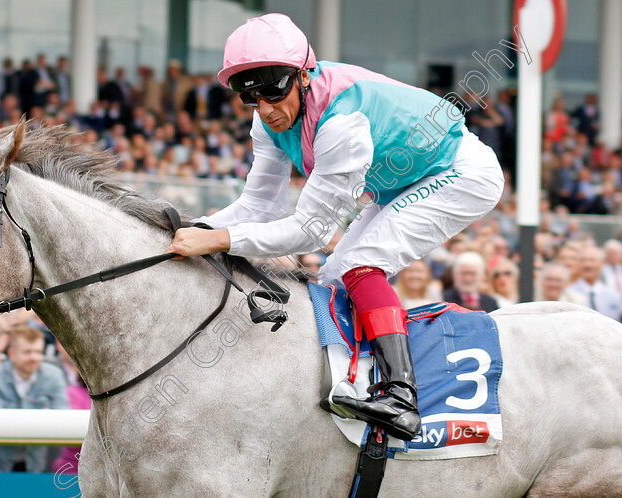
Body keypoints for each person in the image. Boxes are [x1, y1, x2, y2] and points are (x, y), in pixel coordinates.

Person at [166, 14, 504, 441]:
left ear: (304, 77)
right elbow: (258, 206)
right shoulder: (267, 120)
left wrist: (215, 238)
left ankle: (401, 395)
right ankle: (353, 383)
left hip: (461, 173)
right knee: (330, 279)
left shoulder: (341, 124)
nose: (266, 108)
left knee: (361, 263)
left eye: (274, 90)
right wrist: (193, 227)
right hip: (404, 181)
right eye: (249, 96)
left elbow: (310, 231)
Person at [0, 325, 69, 472]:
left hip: (38, 462)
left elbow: (63, 415)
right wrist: (43, 416)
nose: (34, 357)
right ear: (11, 353)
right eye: (27, 352)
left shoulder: (54, 375)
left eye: (38, 352)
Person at [567, 246, 622, 321]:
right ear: (577, 263)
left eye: (592, 260)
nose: (587, 265)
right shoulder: (568, 295)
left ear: (602, 263)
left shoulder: (614, 296)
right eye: (583, 260)